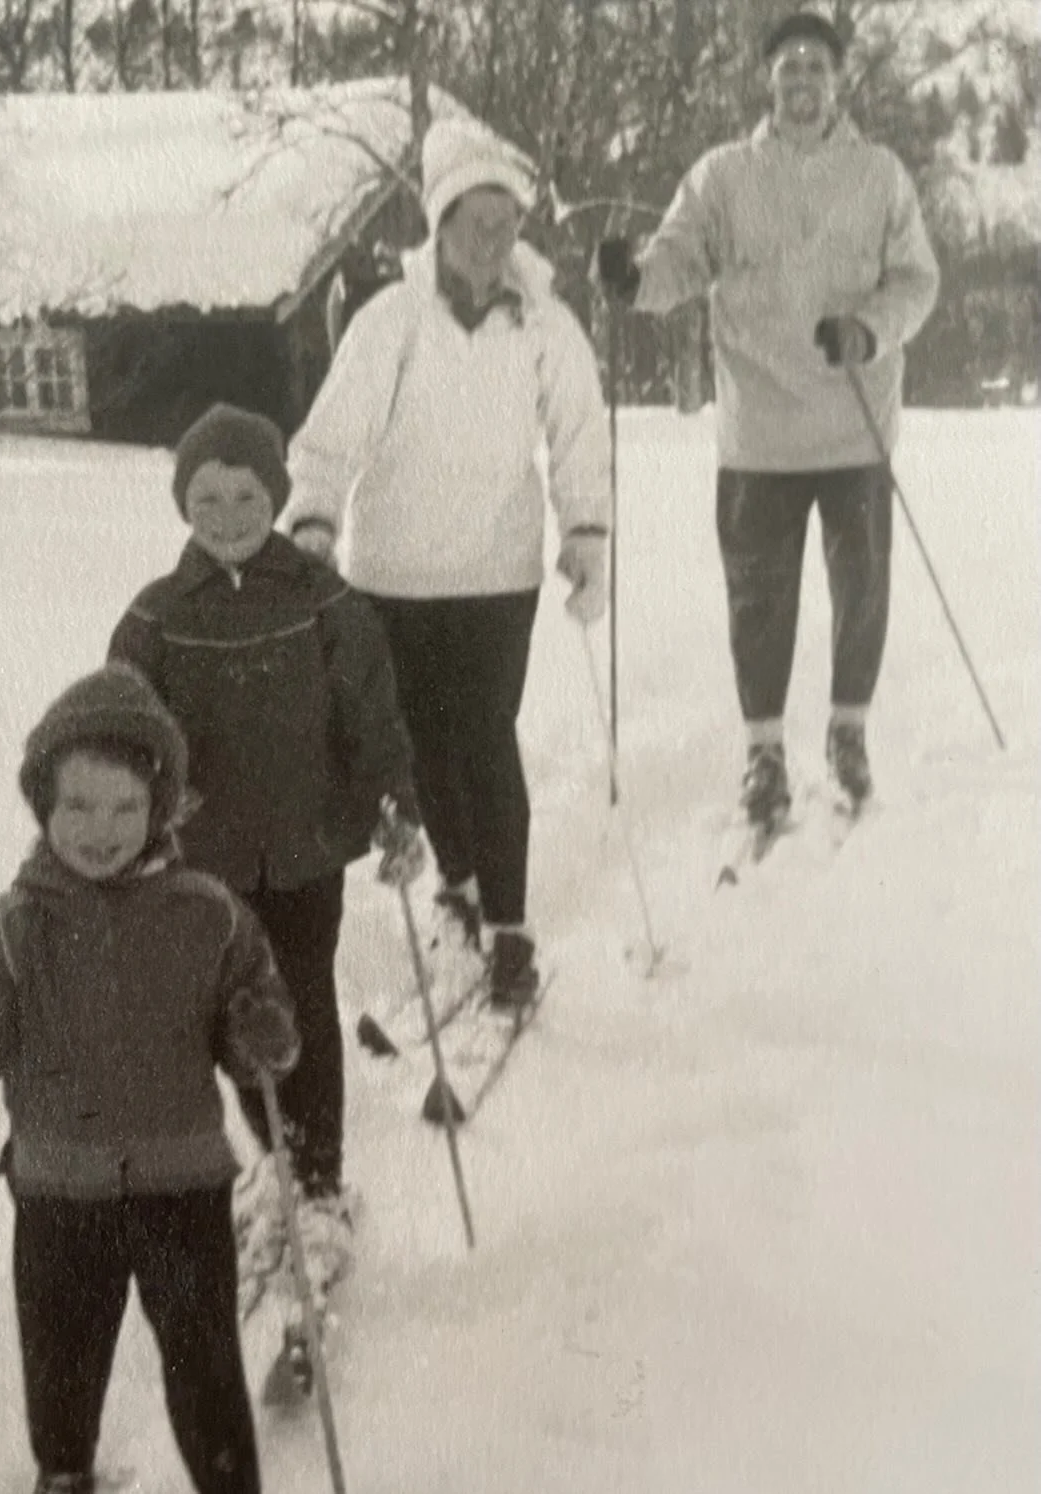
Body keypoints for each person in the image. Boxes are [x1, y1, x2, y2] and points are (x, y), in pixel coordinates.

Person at [0, 663, 300, 1494]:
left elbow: (247, 1003)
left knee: (204, 1362)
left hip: (183, 1184)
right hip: (59, 1189)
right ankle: (65, 1474)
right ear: (42, 804)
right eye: (77, 806)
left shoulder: (208, 913)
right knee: (61, 1359)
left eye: (124, 807)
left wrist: (258, 1031)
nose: (99, 829)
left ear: (161, 808)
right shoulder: (4, 931)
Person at [282, 114, 613, 1005]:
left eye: (506, 222)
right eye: (476, 220)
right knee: (423, 751)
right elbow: (332, 433)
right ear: (440, 222)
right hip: (391, 577)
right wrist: (313, 517)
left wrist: (586, 534)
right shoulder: (391, 321)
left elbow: (580, 438)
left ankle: (509, 929)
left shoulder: (545, 325)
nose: (492, 238)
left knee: (486, 742)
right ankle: (456, 887)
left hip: (497, 576)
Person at [107, 403, 423, 1318]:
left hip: (304, 851)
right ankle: (275, 1160)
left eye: (246, 495)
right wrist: (135, 816)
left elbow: (371, 717)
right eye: (206, 497)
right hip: (201, 864)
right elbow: (122, 732)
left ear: (277, 496)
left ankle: (317, 1186)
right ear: (183, 503)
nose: (228, 515)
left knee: (302, 1003)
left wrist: (395, 804)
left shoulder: (324, 602)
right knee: (229, 1017)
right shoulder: (156, 616)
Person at [598, 7, 939, 824]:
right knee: (758, 601)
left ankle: (848, 735)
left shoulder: (880, 174)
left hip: (854, 424)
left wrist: (867, 329)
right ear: (767, 80)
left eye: (816, 67)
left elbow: (916, 281)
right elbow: (676, 260)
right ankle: (763, 755)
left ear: (837, 81)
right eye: (788, 68)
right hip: (756, 432)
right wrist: (632, 281)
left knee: (861, 591)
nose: (802, 82)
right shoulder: (721, 176)